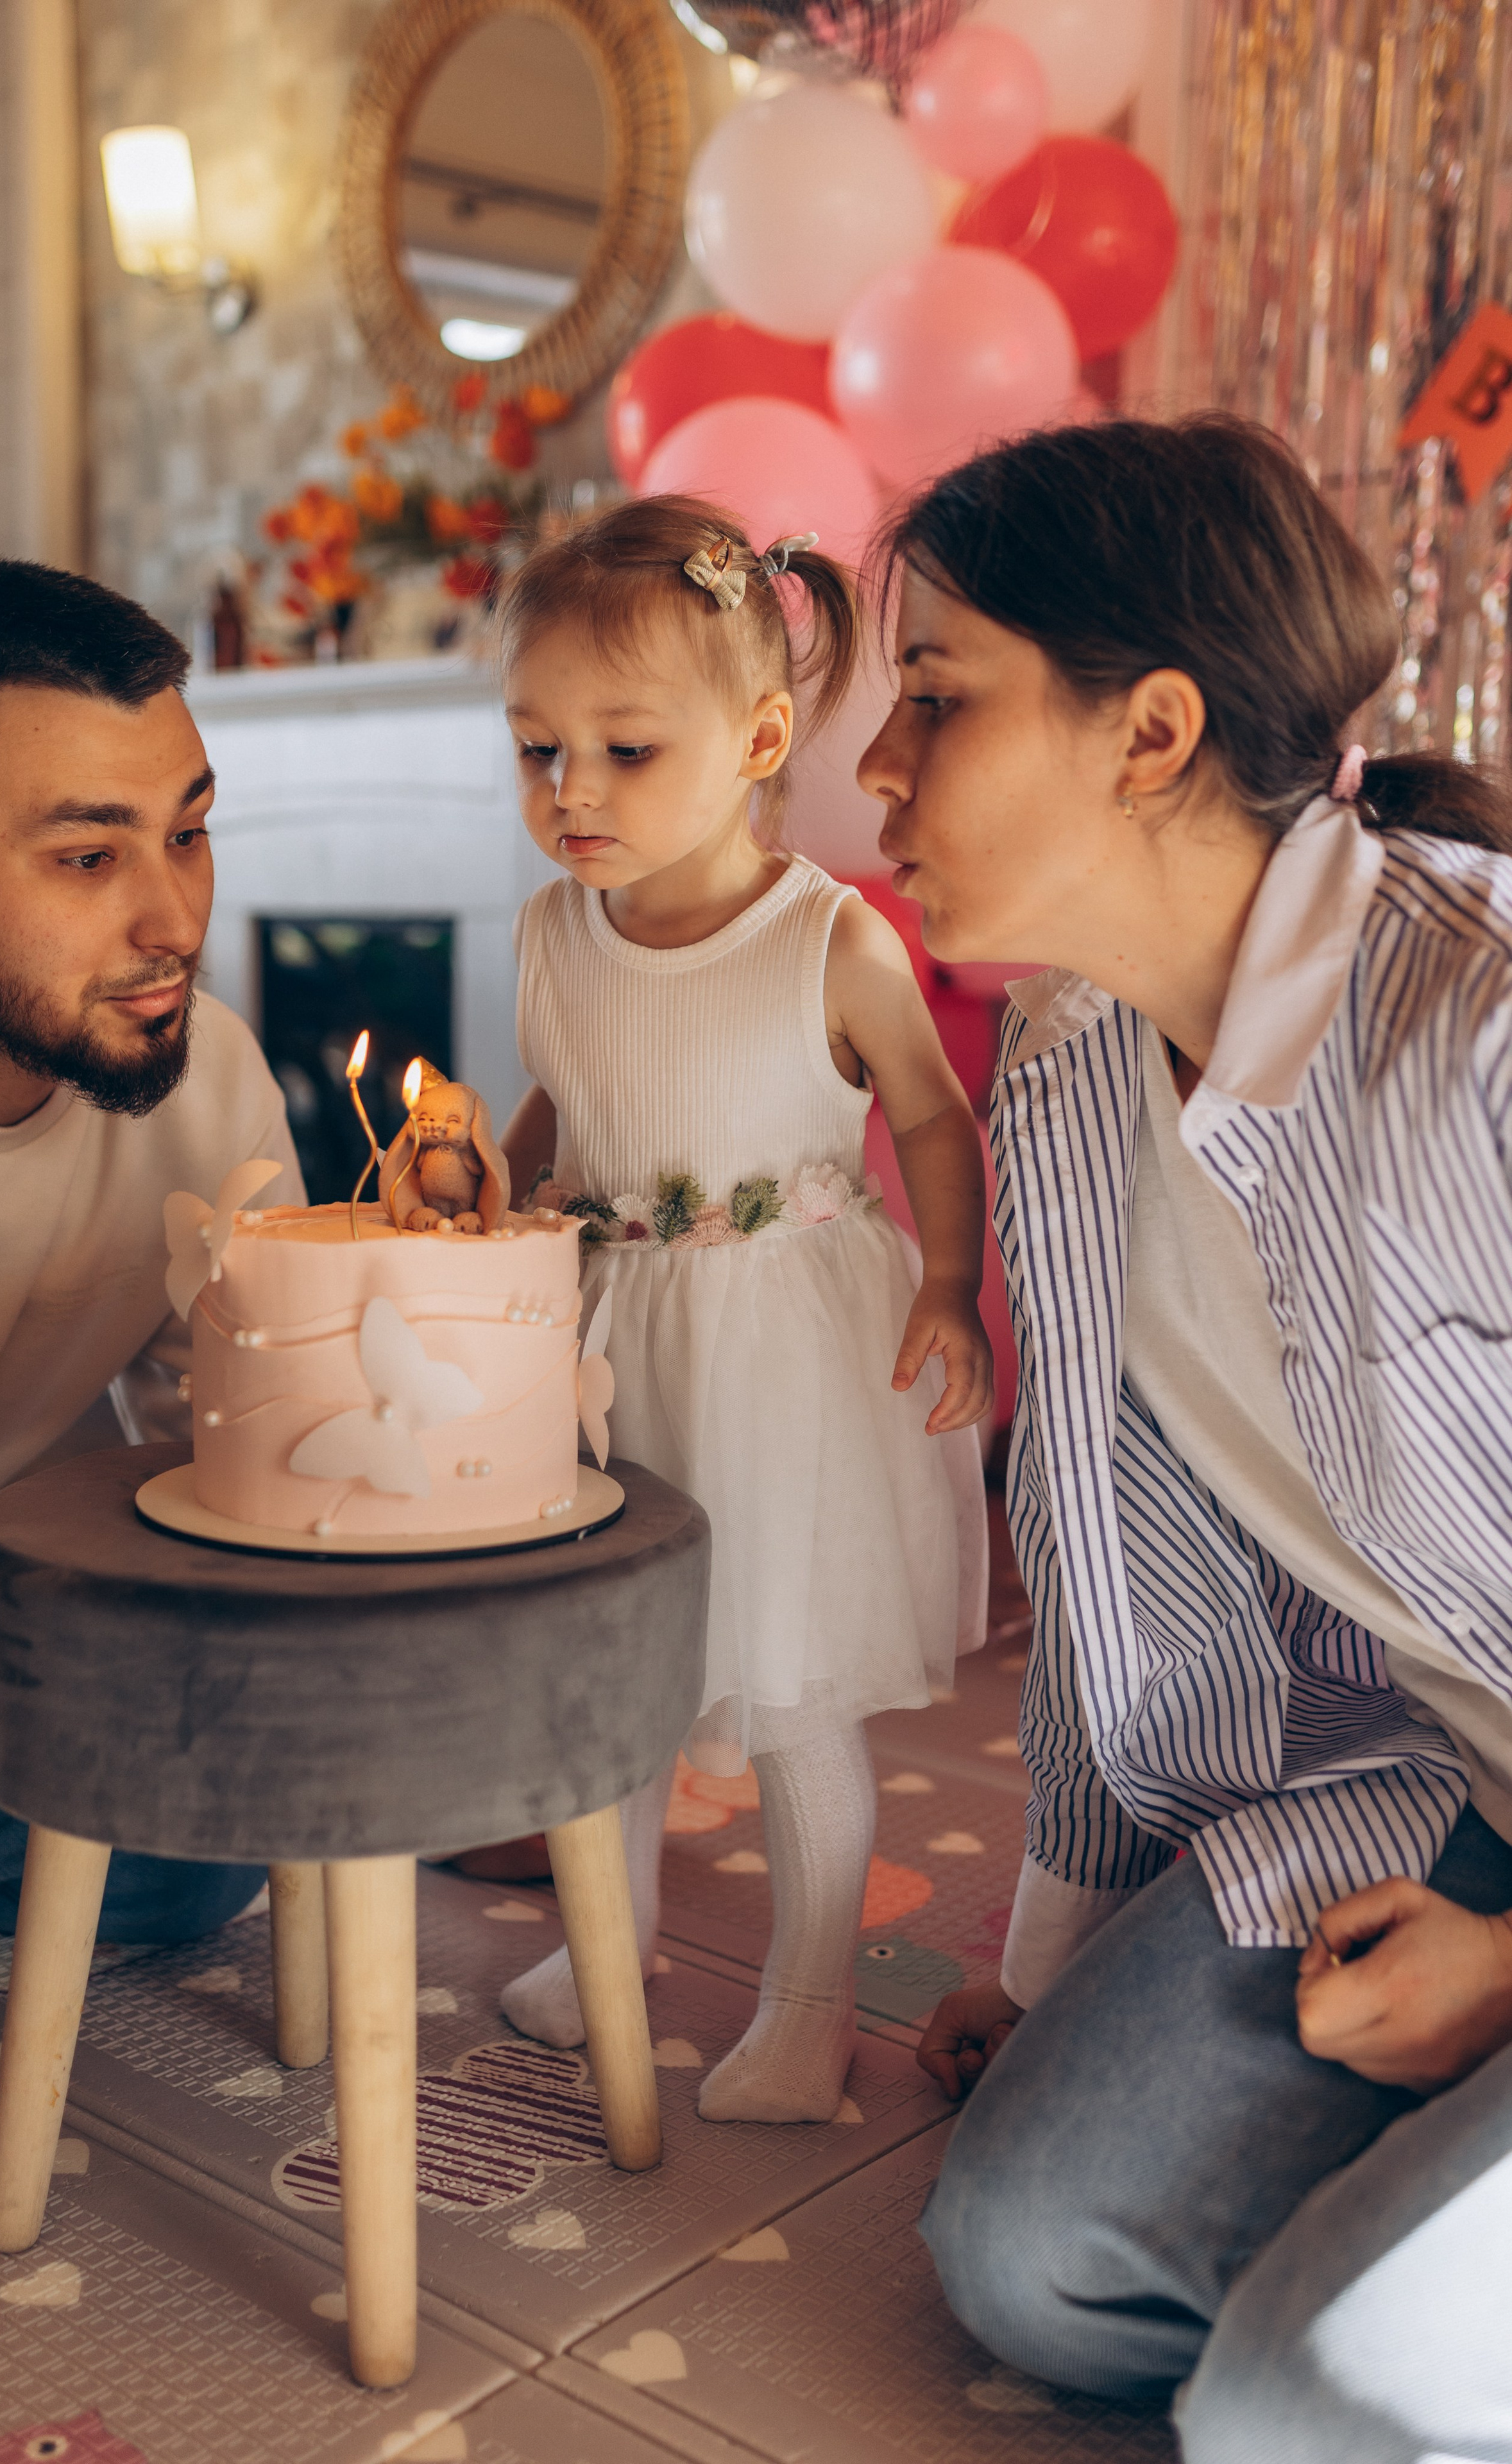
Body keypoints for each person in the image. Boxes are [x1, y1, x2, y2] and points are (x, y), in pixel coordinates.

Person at [857, 413, 1512, 2460]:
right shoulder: (1063, 1073)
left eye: (936, 697)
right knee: (1027, 2254)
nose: (872, 765)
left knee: (1295, 2406)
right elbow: (1119, 1571)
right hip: (1428, 1777)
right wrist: (1057, 1954)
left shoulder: (1482, 1028)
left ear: (1148, 735)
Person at [488, 496, 992, 2123]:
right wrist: (491, 1206)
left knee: (786, 1690)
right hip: (612, 1355)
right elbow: (561, 1105)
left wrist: (945, 1283)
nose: (570, 792)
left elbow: (929, 1116)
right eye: (536, 750)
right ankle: (610, 1929)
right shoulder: (553, 934)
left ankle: (809, 2000)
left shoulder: (825, 940)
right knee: (618, 1675)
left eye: (624, 751)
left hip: (781, 1365)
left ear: (760, 733)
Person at [0, 560, 303, 1942]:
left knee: (206, 1841)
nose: (174, 921)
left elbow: (259, 1455)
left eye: (188, 833)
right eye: (85, 858)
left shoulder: (207, 1077)